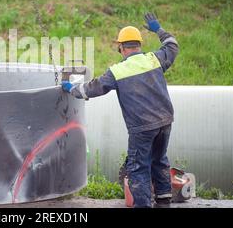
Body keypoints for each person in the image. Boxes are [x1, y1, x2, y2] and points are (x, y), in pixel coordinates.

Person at [62, 13, 179, 208]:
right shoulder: (154, 59)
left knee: (137, 168)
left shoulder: (117, 71)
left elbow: (92, 88)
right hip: (165, 121)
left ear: (121, 48)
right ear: (139, 45)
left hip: (142, 127)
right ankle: (164, 201)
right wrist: (158, 29)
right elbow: (172, 46)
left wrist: (71, 89)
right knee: (159, 159)